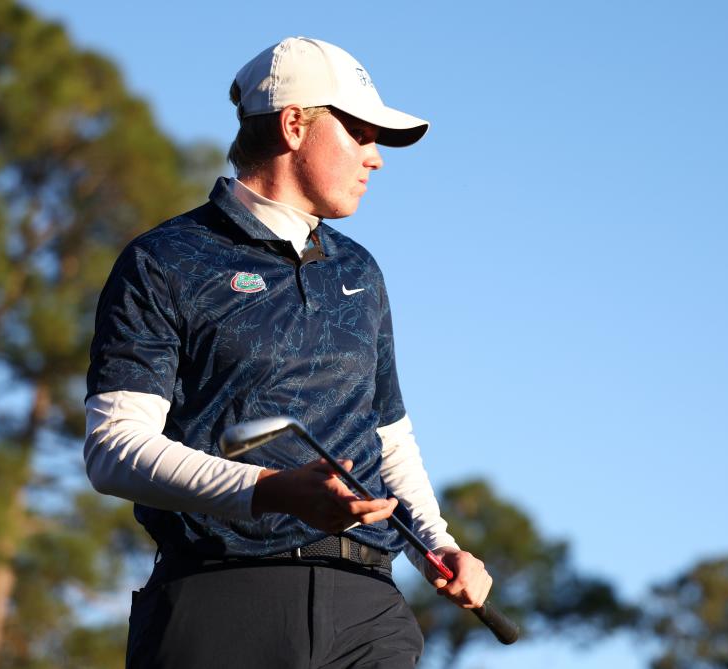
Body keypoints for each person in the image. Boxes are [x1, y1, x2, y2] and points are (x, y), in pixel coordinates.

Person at [84, 36, 492, 668]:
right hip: (221, 597)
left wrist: (437, 545)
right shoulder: (165, 260)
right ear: (295, 124)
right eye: (359, 133)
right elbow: (114, 451)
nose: (375, 159)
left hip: (368, 606)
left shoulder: (361, 270)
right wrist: (271, 489)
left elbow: (389, 435)